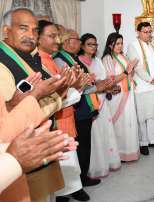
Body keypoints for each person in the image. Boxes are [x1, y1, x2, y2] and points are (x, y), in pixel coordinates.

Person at [0, 7, 70, 201]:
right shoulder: (2, 63)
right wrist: (51, 95)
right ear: (6, 30)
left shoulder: (27, 57)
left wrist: (62, 89)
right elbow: (11, 119)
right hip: (15, 157)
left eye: (34, 30)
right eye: (23, 28)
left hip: (37, 146)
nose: (31, 35)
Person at [37, 20, 90, 202]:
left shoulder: (48, 60)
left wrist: (76, 87)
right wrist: (77, 88)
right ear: (38, 38)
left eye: (58, 36)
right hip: (54, 121)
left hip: (64, 117)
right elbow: (54, 99)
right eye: (52, 36)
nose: (58, 41)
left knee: (67, 166)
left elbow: (61, 94)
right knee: (62, 167)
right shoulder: (40, 62)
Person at [53, 29, 105, 190]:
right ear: (67, 41)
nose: (79, 43)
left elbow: (82, 83)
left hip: (83, 106)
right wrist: (96, 87)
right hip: (75, 108)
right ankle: (77, 183)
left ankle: (83, 177)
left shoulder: (73, 58)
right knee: (78, 147)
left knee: (84, 145)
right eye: (77, 39)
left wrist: (95, 85)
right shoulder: (59, 60)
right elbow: (72, 88)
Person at [78, 33, 121, 178]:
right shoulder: (78, 61)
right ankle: (93, 167)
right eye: (90, 44)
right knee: (93, 135)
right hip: (88, 102)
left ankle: (105, 163)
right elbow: (83, 86)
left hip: (102, 99)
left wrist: (110, 87)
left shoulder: (98, 61)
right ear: (82, 45)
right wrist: (99, 86)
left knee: (104, 132)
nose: (93, 47)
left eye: (95, 44)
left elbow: (104, 80)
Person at [127, 22, 154, 155]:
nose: (148, 34)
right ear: (138, 32)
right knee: (142, 116)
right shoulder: (133, 46)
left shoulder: (152, 46)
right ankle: (143, 142)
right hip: (142, 87)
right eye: (145, 32)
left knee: (152, 115)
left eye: (150, 32)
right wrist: (151, 79)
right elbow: (137, 68)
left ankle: (153, 140)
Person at [102, 32, 140, 161]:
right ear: (110, 44)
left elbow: (129, 73)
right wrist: (126, 72)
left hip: (128, 94)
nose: (120, 46)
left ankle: (130, 152)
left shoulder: (123, 56)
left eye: (121, 43)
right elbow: (111, 80)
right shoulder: (107, 58)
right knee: (119, 124)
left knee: (129, 123)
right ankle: (118, 153)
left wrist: (131, 70)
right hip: (117, 96)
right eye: (117, 43)